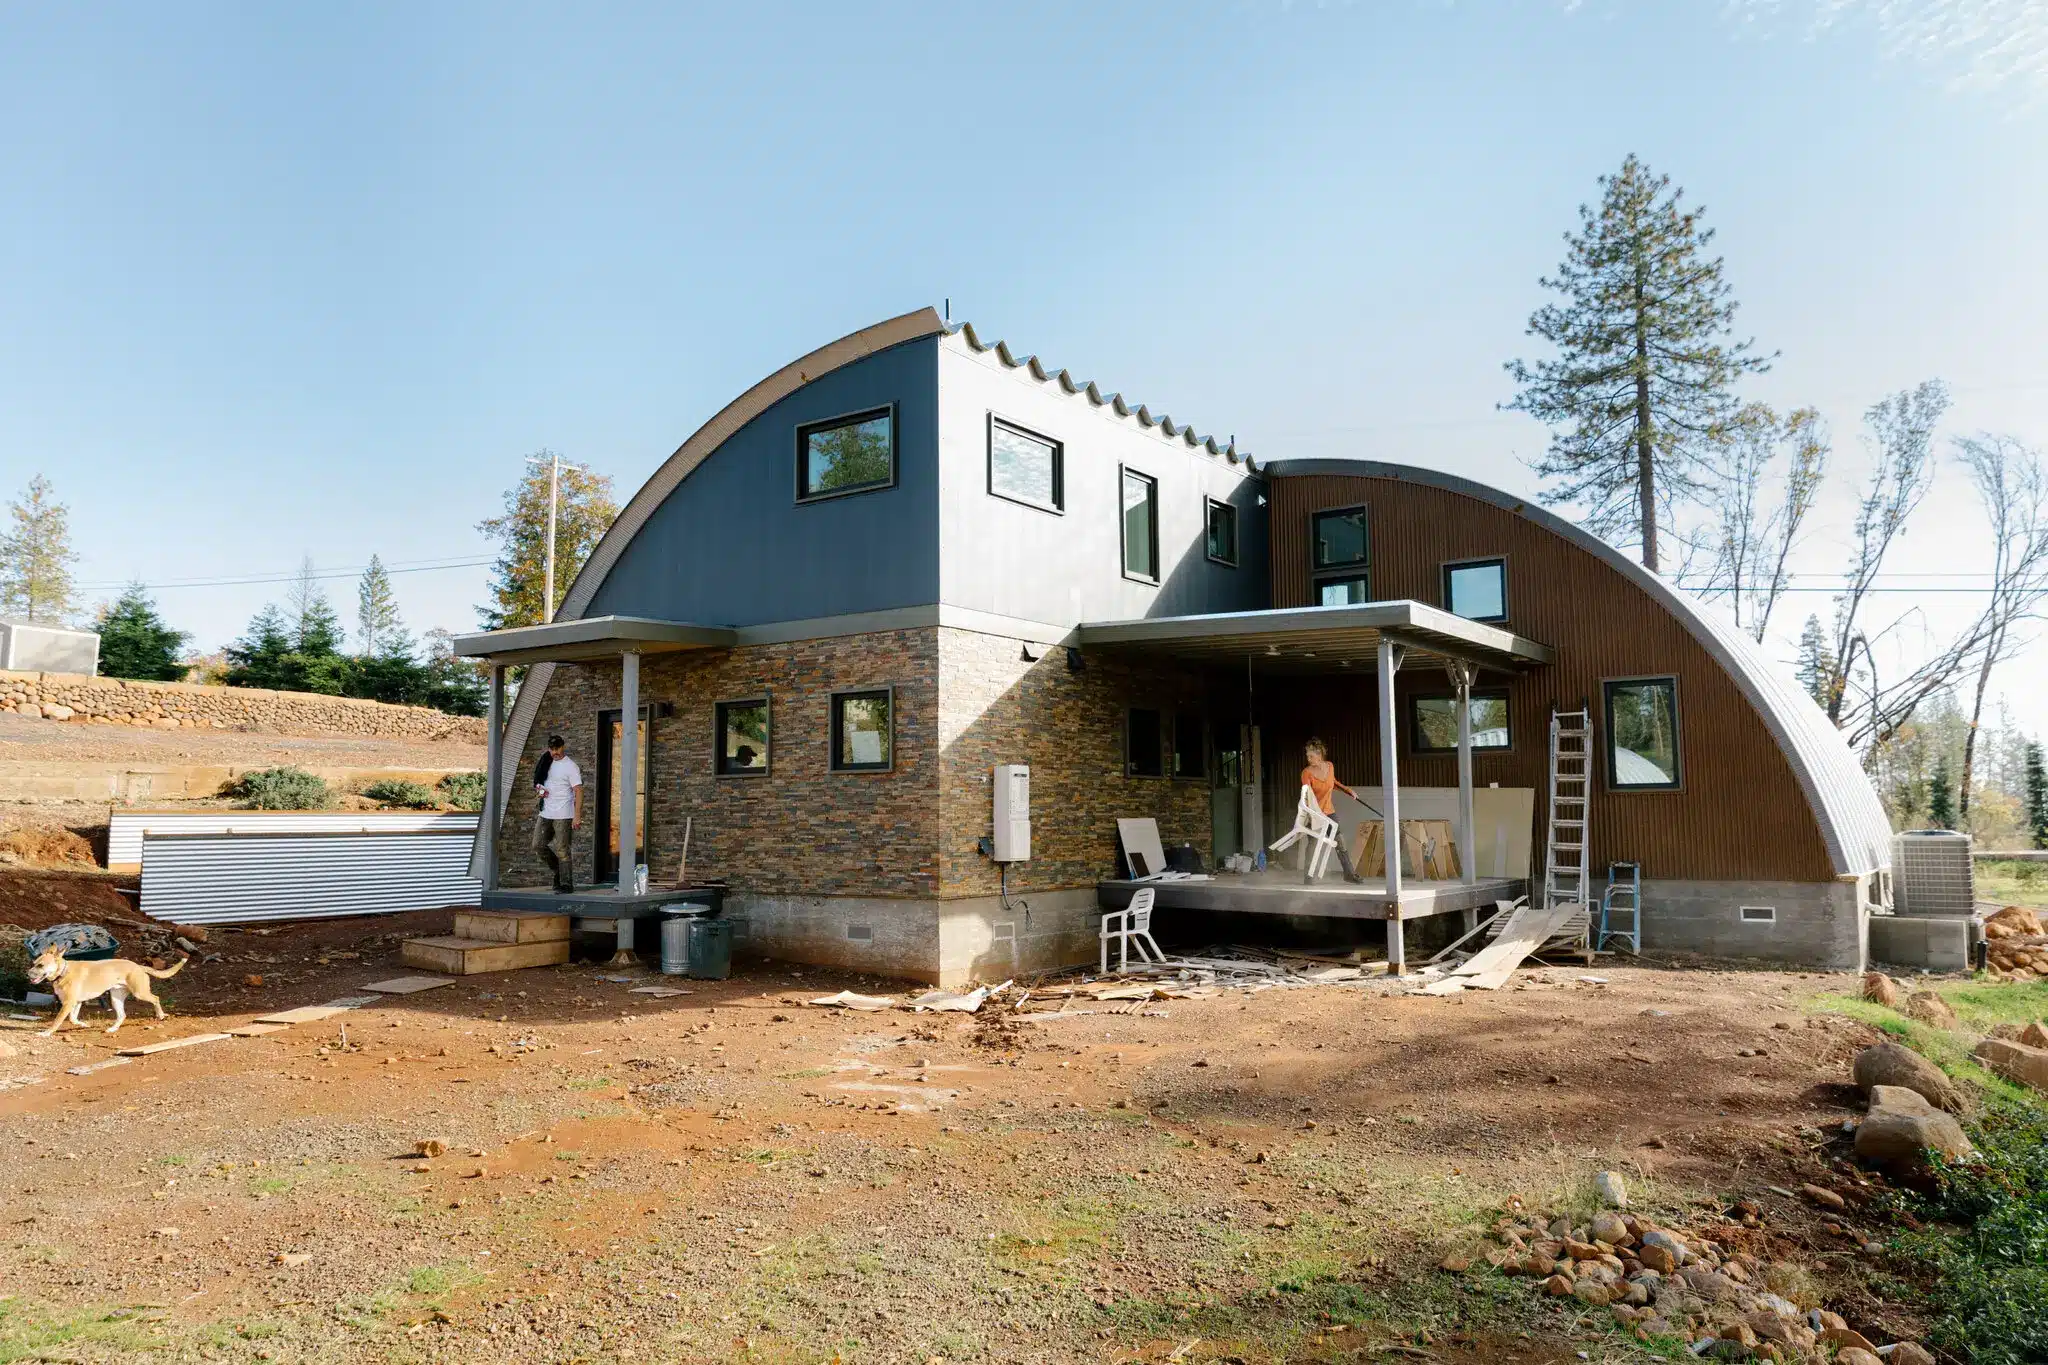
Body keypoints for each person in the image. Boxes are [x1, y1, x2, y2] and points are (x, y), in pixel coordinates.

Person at [1301, 737, 1365, 884]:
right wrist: (1312, 815)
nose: (1308, 758)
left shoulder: (1329, 766)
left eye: (1311, 756)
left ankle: (1349, 874)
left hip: (1329, 811)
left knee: (1340, 841)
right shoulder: (1306, 773)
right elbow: (1306, 795)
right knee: (1313, 844)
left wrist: (1349, 791)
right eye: (1307, 755)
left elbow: (1333, 783)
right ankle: (1308, 877)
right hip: (1314, 813)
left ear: (1319, 755)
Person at [532, 734, 582, 893]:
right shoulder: (545, 762)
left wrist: (577, 815)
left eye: (557, 748)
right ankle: (559, 872)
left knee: (562, 849)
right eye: (552, 749)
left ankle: (566, 884)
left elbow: (579, 791)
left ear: (563, 746)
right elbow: (538, 783)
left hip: (564, 813)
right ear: (549, 748)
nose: (555, 752)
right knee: (538, 845)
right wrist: (540, 791)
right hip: (546, 811)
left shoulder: (571, 766)